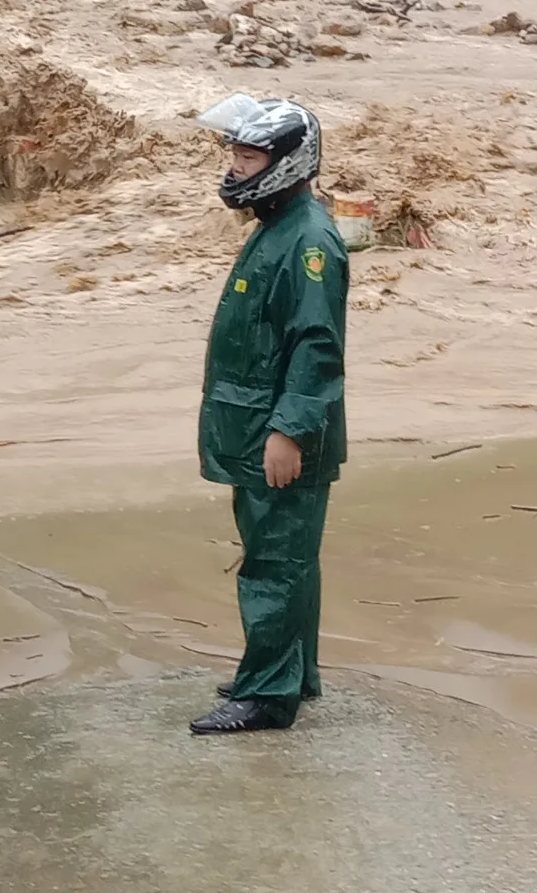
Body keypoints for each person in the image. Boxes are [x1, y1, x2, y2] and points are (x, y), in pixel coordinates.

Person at [190, 95, 349, 735]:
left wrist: (289, 431)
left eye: (249, 156)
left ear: (288, 163)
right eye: (235, 152)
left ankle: (267, 695)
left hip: (279, 432)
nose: (236, 166)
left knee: (274, 563)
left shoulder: (309, 242)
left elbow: (317, 347)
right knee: (284, 556)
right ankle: (290, 672)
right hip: (256, 420)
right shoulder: (279, 225)